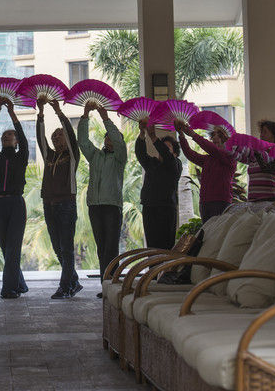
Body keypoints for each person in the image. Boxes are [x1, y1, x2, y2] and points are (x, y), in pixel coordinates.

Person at [78, 105, 127, 298]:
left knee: (111, 246)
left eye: (112, 137)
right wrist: (85, 116)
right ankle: (105, 286)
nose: (109, 138)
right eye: (106, 136)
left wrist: (105, 117)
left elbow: (118, 140)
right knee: (101, 247)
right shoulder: (96, 156)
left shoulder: (119, 158)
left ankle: (112, 286)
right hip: (95, 205)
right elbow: (82, 141)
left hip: (112, 206)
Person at [36, 98, 81, 299]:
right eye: (54, 137)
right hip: (49, 205)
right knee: (57, 246)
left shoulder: (72, 157)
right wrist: (40, 114)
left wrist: (58, 112)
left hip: (66, 205)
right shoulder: (49, 157)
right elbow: (40, 138)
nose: (56, 139)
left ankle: (65, 287)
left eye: (59, 136)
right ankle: (74, 282)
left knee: (66, 246)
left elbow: (71, 136)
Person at [0, 97, 29, 300]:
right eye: (4, 135)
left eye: (11, 135)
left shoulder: (21, 157)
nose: (7, 137)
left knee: (13, 247)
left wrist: (12, 113)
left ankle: (9, 289)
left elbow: (22, 134)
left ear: (16, 141)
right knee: (6, 248)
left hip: (16, 204)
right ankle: (19, 283)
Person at [176, 121, 236, 222]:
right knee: (207, 234)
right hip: (205, 202)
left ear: (226, 142)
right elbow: (190, 154)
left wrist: (193, 134)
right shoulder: (209, 159)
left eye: (218, 141)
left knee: (217, 233)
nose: (215, 144)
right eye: (214, 142)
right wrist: (181, 135)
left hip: (221, 201)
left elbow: (212, 149)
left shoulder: (230, 158)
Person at [136, 121, 182, 251]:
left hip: (166, 209)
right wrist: (142, 133)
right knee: (152, 247)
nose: (164, 150)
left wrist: (154, 138)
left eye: (168, 148)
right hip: (150, 207)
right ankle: (153, 271)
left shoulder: (176, 164)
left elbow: (168, 158)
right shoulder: (153, 163)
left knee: (165, 247)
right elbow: (140, 153)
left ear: (175, 153)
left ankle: (165, 271)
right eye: (163, 147)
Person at [245, 120, 275, 202]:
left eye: (265, 132)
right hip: (253, 201)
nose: (261, 135)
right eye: (261, 132)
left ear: (274, 136)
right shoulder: (256, 153)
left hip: (269, 200)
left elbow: (266, 167)